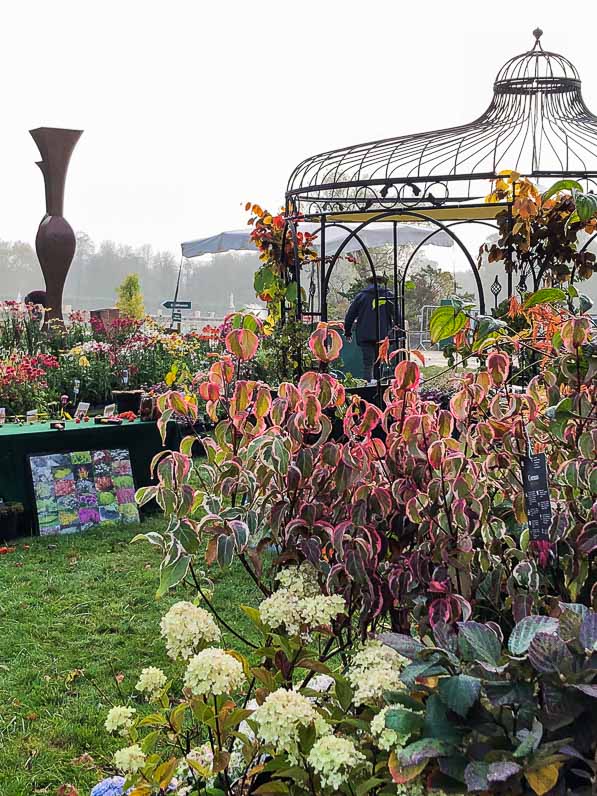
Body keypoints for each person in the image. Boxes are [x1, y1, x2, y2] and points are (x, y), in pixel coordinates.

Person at [344, 275, 394, 383]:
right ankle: (378, 388)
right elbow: (397, 314)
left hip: (365, 335)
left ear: (369, 283)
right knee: (379, 363)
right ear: (382, 282)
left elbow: (350, 316)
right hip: (382, 335)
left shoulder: (361, 296)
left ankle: (367, 387)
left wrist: (348, 332)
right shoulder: (388, 296)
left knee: (368, 364)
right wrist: (397, 333)